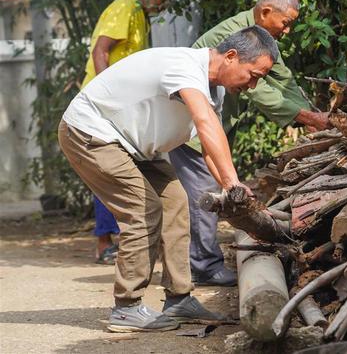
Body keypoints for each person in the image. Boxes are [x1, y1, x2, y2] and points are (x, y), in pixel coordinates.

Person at [58, 26, 278, 332]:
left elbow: (207, 150)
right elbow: (204, 124)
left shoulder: (213, 90)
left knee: (176, 203)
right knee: (144, 210)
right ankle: (126, 307)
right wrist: (230, 183)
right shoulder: (184, 67)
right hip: (91, 132)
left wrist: (234, 191)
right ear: (231, 57)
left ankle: (179, 299)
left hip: (135, 145)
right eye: (254, 74)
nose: (253, 84)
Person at [169, 0, 330, 286]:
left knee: (214, 187)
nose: (288, 30)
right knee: (203, 191)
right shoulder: (234, 35)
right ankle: (204, 266)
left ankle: (199, 261)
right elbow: (262, 92)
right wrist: (307, 117)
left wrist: (311, 114)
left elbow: (283, 81)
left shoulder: (265, 42)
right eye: (286, 22)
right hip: (192, 125)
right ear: (266, 12)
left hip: (214, 122)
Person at [81, 0, 176, 264]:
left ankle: (119, 239)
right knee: (109, 171)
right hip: (106, 107)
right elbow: (101, 51)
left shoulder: (138, 12)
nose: (162, 4)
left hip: (123, 107)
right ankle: (103, 243)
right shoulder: (125, 6)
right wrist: (108, 99)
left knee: (123, 172)